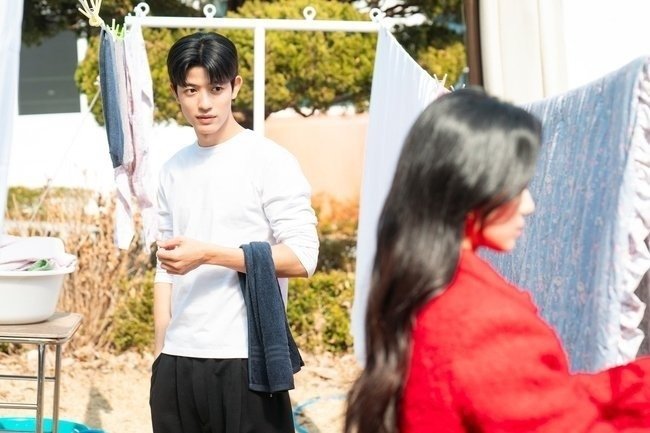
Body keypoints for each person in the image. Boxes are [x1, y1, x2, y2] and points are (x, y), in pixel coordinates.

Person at [344, 88, 650, 433]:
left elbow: (538, 394)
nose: (529, 205)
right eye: (516, 189)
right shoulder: (482, 321)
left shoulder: (419, 280)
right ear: (470, 187)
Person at [150, 32, 319, 433]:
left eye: (216, 88)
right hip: (177, 360)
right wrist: (160, 355)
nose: (204, 103)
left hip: (246, 359)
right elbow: (164, 269)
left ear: (235, 87)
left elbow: (303, 257)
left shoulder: (269, 161)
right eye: (191, 90)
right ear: (176, 92)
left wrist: (208, 254)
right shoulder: (172, 169)